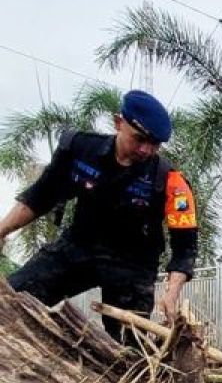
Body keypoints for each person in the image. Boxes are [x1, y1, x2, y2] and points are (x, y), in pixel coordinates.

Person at [0, 90, 198, 339]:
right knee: (11, 299)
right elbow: (40, 197)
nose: (146, 150)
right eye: (139, 139)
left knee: (129, 347)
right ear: (119, 123)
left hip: (132, 266)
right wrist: (2, 231)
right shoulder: (79, 150)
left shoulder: (170, 180)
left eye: (154, 144)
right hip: (78, 248)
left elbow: (185, 245)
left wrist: (172, 292)